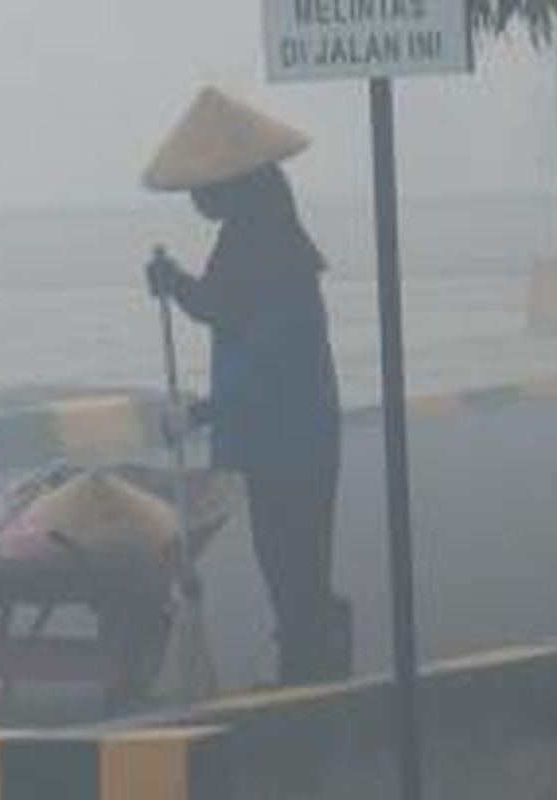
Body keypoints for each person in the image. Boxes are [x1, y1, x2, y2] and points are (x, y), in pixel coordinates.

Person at [142, 89, 352, 685]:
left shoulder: (279, 253)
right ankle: (305, 666)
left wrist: (203, 411)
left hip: (296, 437)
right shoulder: (245, 239)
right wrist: (176, 283)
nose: (198, 200)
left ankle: (310, 671)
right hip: (272, 438)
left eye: (207, 189)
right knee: (281, 560)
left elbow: (268, 357)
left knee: (295, 562)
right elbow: (219, 306)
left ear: (240, 189)